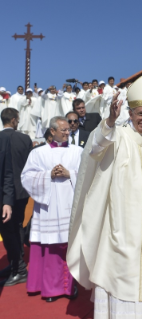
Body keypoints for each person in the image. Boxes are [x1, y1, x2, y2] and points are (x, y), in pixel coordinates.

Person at [67, 73, 142, 319]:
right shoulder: (118, 134)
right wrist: (110, 120)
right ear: (130, 114)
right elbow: (96, 147)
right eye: (140, 114)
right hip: (121, 227)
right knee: (119, 275)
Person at [21, 116, 82, 302]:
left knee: (71, 247)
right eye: (63, 129)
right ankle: (51, 289)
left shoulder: (78, 151)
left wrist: (69, 173)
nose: (67, 131)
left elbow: (89, 175)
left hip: (70, 205)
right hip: (48, 209)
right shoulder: (38, 153)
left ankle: (71, 286)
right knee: (50, 248)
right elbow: (27, 177)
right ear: (52, 131)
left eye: (68, 129)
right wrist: (48, 175)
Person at [0, 108, 33, 286]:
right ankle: (16, 263)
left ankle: (17, 266)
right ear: (14, 120)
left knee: (8, 231)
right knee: (18, 226)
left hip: (4, 193)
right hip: (21, 191)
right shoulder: (24, 138)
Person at [0, 133, 15, 282]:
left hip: (1, 202)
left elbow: (7, 174)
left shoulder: (4, 140)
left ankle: (17, 268)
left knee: (8, 237)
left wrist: (7, 202)